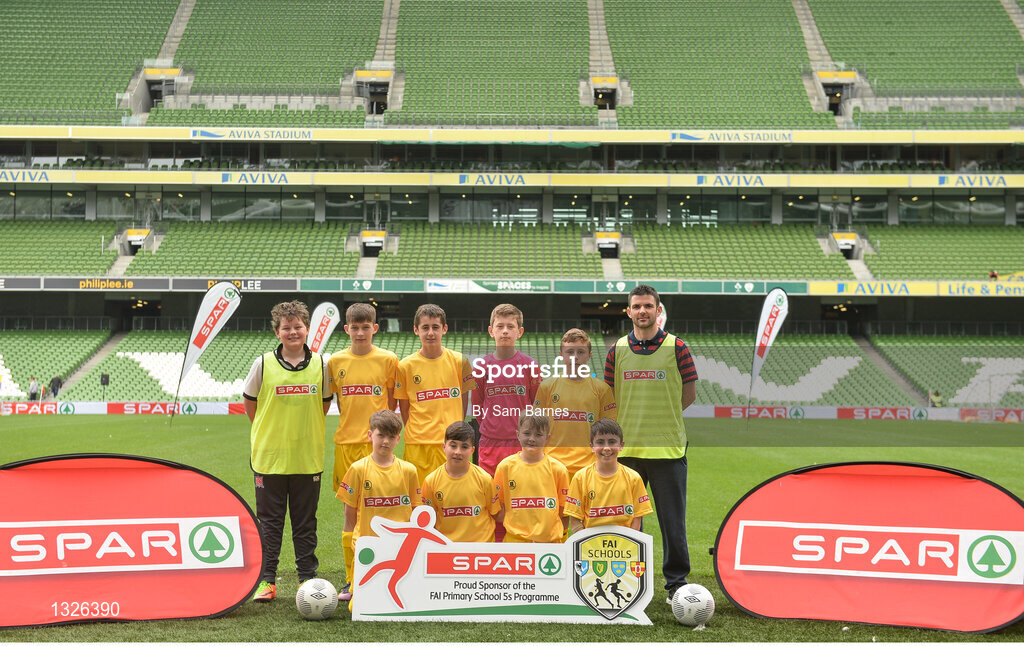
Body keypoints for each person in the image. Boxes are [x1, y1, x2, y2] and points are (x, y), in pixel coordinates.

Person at [604, 284, 697, 603]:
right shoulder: (616, 349)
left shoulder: (678, 347)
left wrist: (665, 418)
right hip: (626, 452)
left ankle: (676, 584)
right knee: (622, 519)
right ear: (628, 312)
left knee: (673, 523)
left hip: (668, 450)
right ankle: (621, 580)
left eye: (648, 306)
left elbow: (689, 394)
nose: (642, 311)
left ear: (658, 311)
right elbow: (608, 397)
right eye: (636, 306)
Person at [242, 300, 331, 603]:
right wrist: (270, 432)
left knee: (305, 523)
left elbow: (324, 405)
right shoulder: (263, 364)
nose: (292, 331)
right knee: (270, 522)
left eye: (298, 326)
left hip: (308, 456)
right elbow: (251, 404)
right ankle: (266, 581)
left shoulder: (322, 364)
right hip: (269, 458)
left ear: (307, 329)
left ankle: (307, 579)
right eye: (286, 327)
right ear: (277, 331)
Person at [327, 303, 399, 601]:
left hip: (378, 446)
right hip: (346, 445)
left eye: (365, 327)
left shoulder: (389, 360)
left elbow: (392, 404)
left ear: (375, 328)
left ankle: (387, 570)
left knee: (383, 506)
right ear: (346, 329)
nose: (359, 332)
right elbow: (337, 403)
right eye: (354, 327)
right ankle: (351, 578)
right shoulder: (335, 361)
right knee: (351, 511)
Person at [336, 409, 420, 604]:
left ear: (398, 439)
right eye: (380, 435)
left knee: (400, 599)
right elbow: (349, 514)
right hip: (367, 545)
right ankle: (352, 582)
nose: (385, 442)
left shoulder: (409, 470)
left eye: (391, 437)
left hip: (400, 547)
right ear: (369, 435)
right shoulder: (358, 469)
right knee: (356, 607)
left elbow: (416, 509)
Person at [395, 304, 476, 483]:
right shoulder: (405, 366)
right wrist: (419, 431)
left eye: (435, 327)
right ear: (416, 330)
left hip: (450, 443)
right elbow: (405, 408)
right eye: (425, 327)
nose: (430, 333)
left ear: (444, 329)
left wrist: (456, 430)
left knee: (451, 496)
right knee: (420, 500)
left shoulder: (459, 361)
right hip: (418, 444)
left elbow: (463, 400)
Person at [536, 328, 617, 483]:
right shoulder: (546, 387)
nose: (575, 357)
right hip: (554, 464)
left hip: (589, 465)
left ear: (589, 355)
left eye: (580, 352)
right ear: (561, 354)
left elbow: (609, 430)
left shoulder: (601, 389)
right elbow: (537, 428)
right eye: (570, 352)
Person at [471, 303, 540, 476]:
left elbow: (536, 404)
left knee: (519, 495)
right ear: (491, 331)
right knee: (491, 494)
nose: (505, 331)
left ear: (520, 332)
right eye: (500, 326)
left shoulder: (530, 366)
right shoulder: (481, 367)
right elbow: (477, 404)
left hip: (520, 442)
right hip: (490, 443)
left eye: (511, 326)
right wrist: (491, 427)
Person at [564, 418, 652, 534]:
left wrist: (626, 544)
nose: (606, 448)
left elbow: (637, 518)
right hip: (590, 547)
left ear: (621, 445)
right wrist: (586, 545)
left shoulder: (633, 478)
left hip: (624, 547)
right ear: (592, 446)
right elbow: (575, 519)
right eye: (600, 442)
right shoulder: (581, 478)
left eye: (612, 442)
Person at [421, 421, 503, 542]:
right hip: (447, 548)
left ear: (472, 450)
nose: (458, 452)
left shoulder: (484, 479)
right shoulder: (431, 481)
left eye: (464, 447)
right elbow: (428, 522)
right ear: (444, 447)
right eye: (453, 446)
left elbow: (497, 514)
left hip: (481, 548)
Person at [493, 413, 569, 543]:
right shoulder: (505, 467)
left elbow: (564, 512)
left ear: (547, 438)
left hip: (549, 544)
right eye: (527, 433)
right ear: (517, 435)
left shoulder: (558, 469)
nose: (532, 439)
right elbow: (499, 509)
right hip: (515, 542)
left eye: (538, 435)